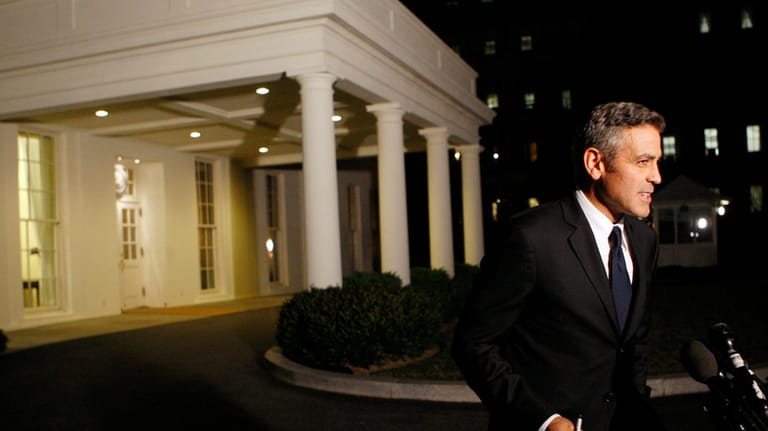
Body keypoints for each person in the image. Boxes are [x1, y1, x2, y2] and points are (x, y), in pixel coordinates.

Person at [451, 101, 668, 431]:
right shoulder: (531, 237)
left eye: (657, 162)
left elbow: (633, 341)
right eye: (643, 162)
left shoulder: (644, 239)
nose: (656, 176)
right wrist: (543, 419)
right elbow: (474, 345)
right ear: (595, 163)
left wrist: (637, 403)